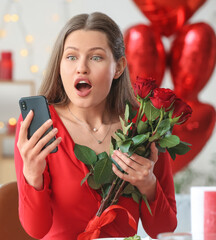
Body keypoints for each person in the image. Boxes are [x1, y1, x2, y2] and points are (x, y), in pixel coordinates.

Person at [14, 12, 177, 240]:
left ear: (118, 68)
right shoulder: (38, 126)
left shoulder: (145, 129)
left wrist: (148, 184)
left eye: (96, 58)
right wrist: (32, 175)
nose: (81, 68)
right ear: (59, 66)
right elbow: (36, 229)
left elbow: (163, 230)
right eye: (71, 57)